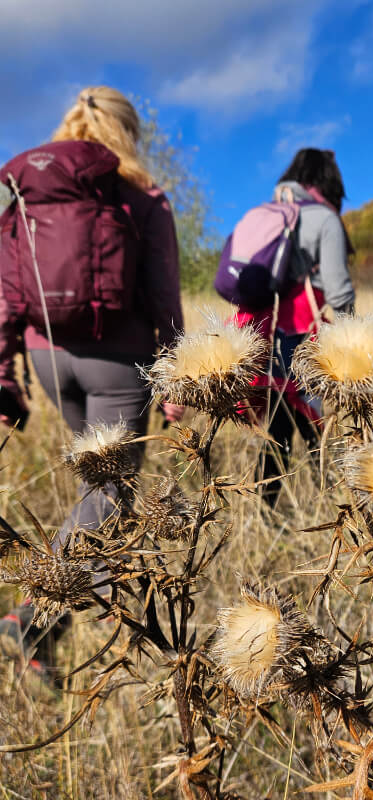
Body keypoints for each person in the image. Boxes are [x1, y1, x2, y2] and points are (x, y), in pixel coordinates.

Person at [0, 86, 184, 674]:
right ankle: (32, 615)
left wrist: (4, 373)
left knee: (97, 485)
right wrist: (176, 372)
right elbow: (163, 294)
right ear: (128, 133)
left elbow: (5, 293)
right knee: (108, 490)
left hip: (48, 358)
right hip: (117, 359)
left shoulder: (28, 198)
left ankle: (102, 602)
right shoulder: (141, 196)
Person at [231, 148, 356, 507]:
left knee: (278, 431)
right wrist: (355, 342)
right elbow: (339, 290)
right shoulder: (322, 219)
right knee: (318, 428)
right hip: (304, 335)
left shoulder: (268, 215)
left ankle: (266, 512)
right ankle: (338, 506)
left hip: (262, 336)